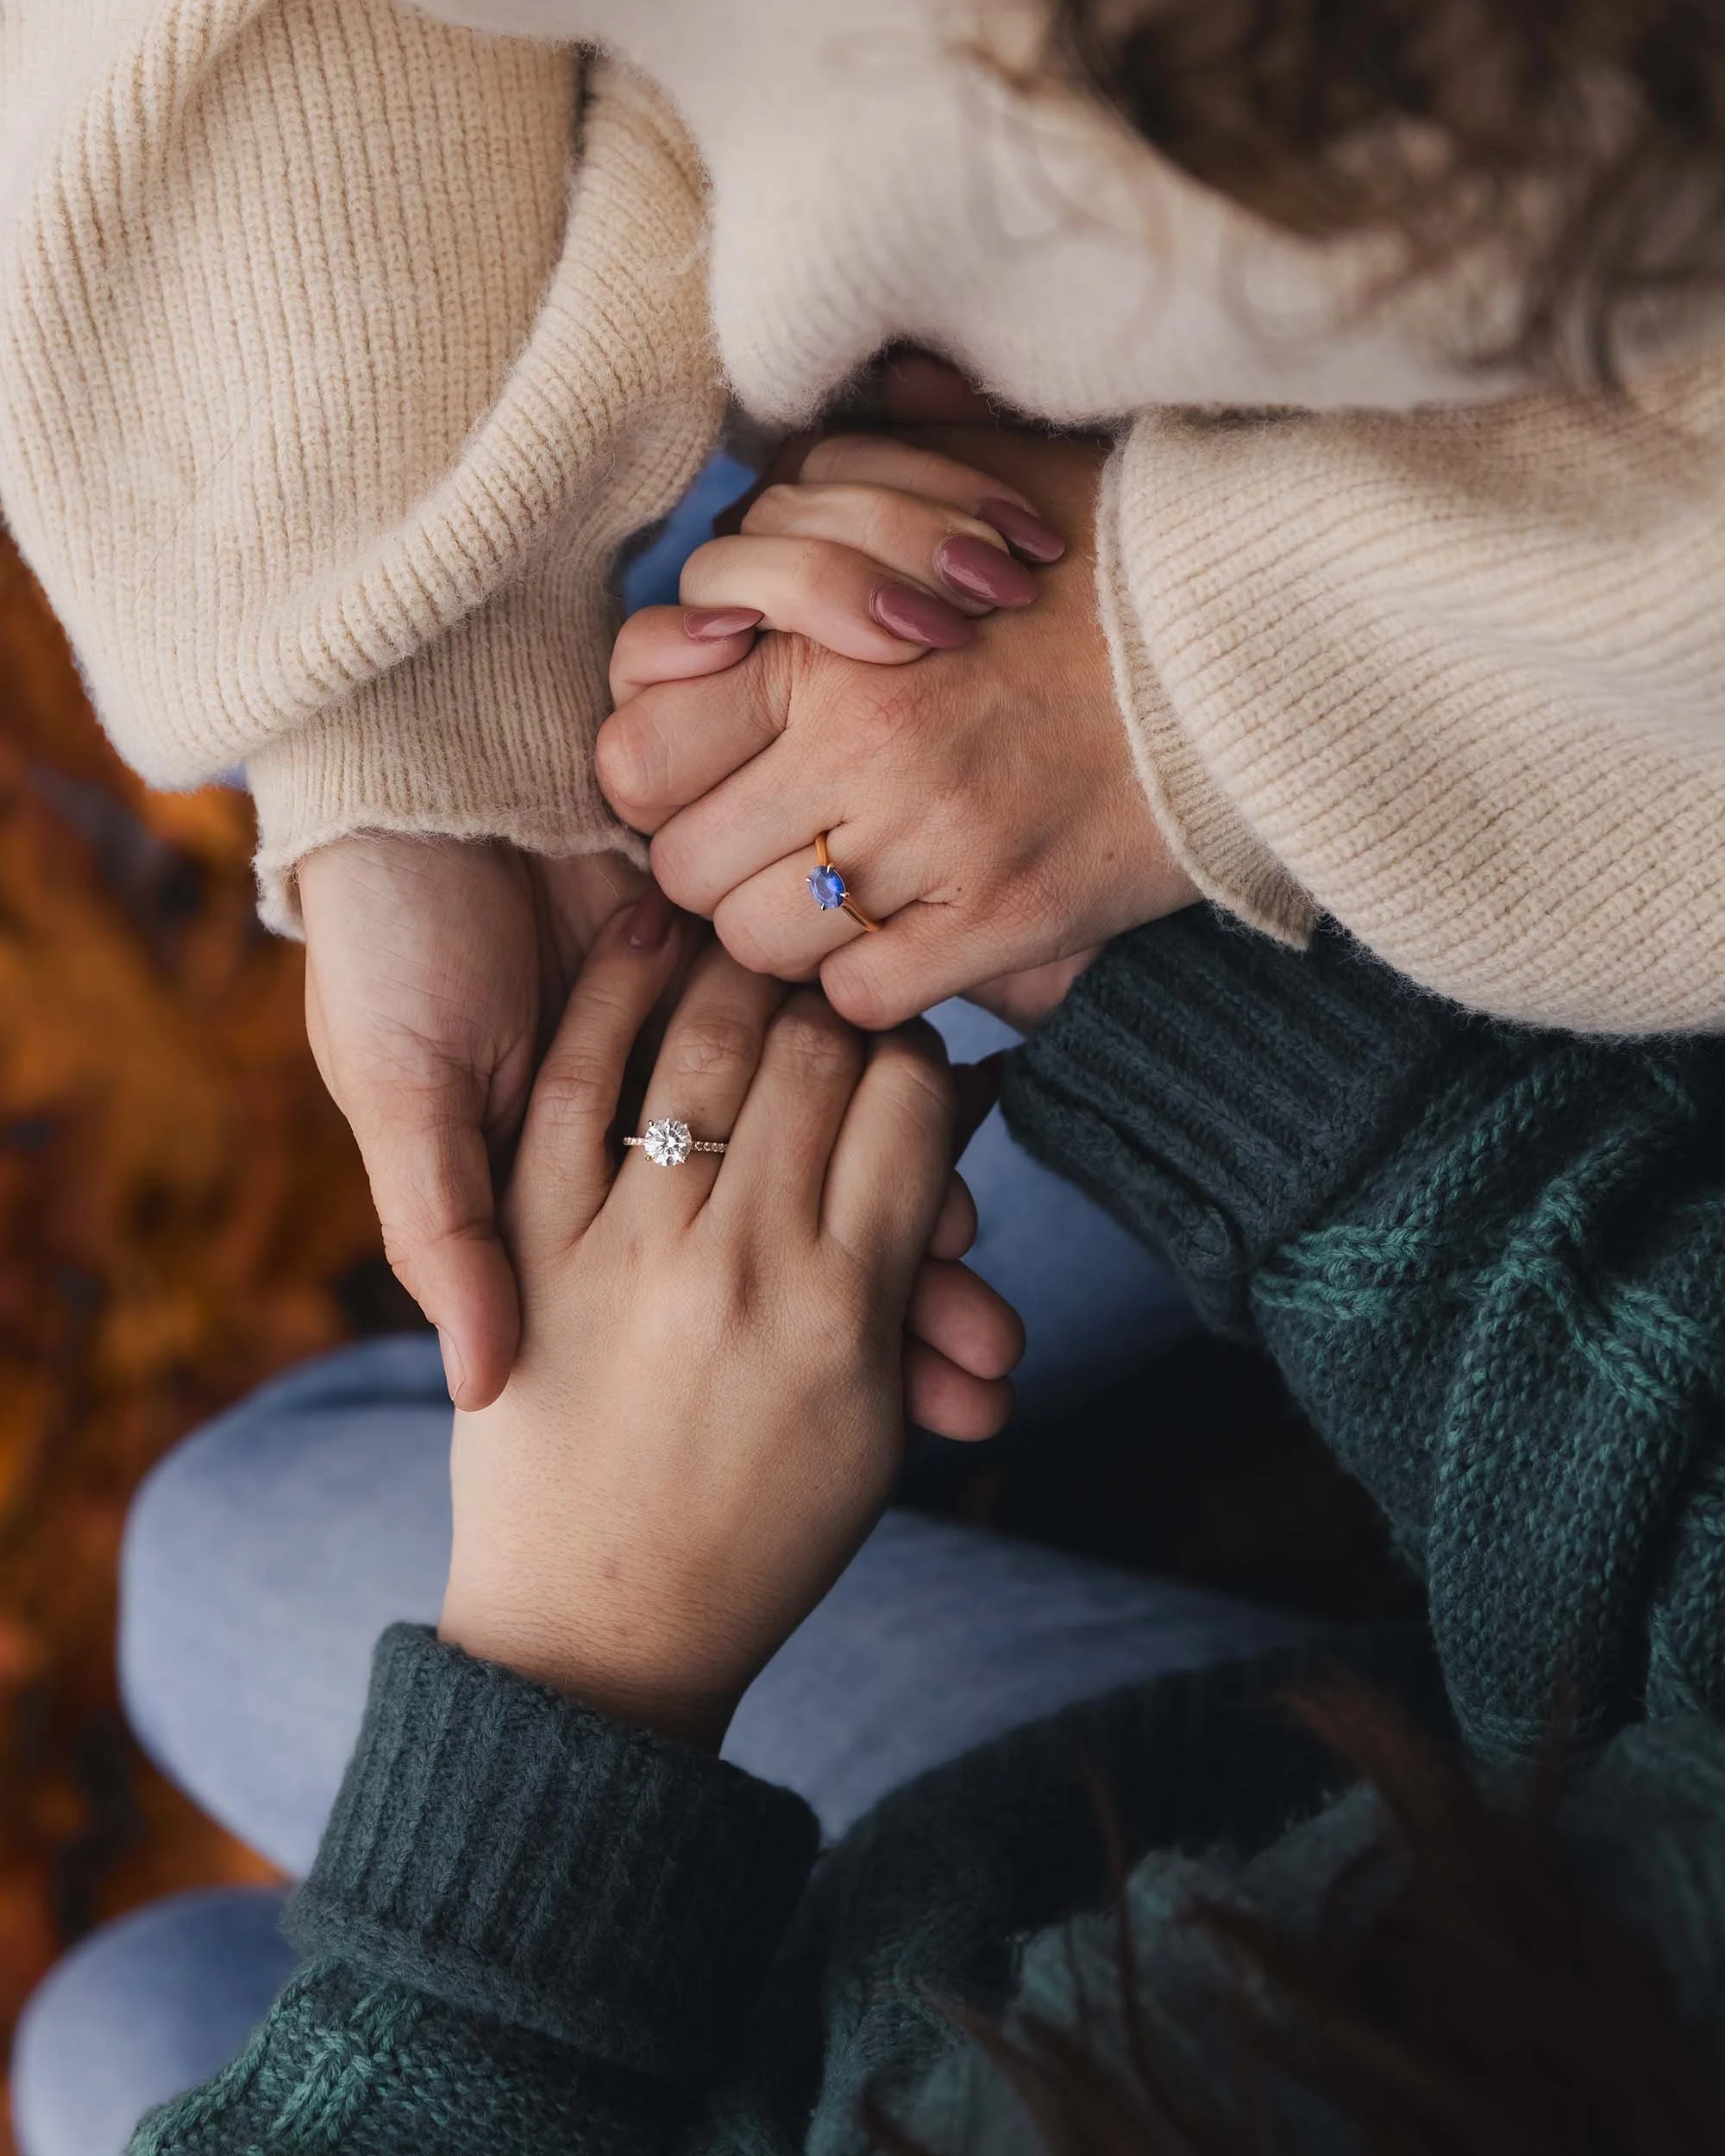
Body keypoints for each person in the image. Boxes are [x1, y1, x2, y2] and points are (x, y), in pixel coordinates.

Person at [6, 0, 1725, 1423]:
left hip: (1560, 723)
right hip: (860, 554)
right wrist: (419, 708)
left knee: (240, 1538)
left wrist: (1198, 673)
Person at [14, 893, 1725, 2155]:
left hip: (984, 1969)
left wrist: (581, 1670)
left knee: (116, 2023)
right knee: (216, 1574)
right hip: (1472, 1789)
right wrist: (1164, 977)